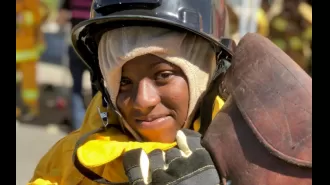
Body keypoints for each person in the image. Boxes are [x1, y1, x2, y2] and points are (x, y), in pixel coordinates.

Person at [28, 0, 231, 184]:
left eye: (163, 75)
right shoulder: (66, 164)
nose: (142, 101)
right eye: (123, 81)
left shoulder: (250, 161)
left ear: (210, 74)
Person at [56, 0, 96, 131]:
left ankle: (79, 128)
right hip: (93, 47)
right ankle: (97, 124)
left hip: (75, 46)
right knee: (97, 87)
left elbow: (60, 19)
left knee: (76, 89)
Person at [16, 0, 47, 122]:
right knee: (28, 84)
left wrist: (23, 18)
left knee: (29, 84)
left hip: (27, 49)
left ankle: (31, 108)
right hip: (25, 48)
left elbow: (39, 15)